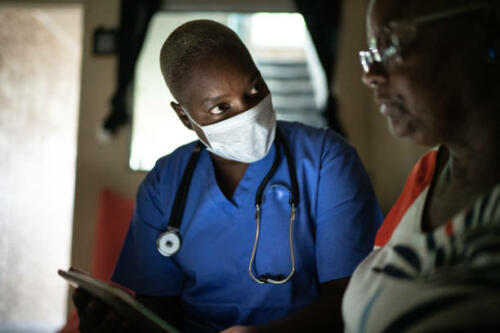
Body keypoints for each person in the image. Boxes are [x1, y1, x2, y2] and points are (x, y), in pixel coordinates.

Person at [73, 20, 383, 332]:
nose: (248, 112)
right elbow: (157, 308)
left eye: (254, 89)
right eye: (221, 108)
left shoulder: (326, 159)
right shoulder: (163, 185)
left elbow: (351, 299)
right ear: (185, 116)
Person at [342, 0, 500, 331]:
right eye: (372, 52)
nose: (371, 75)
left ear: (488, 27)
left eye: (392, 43)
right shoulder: (430, 173)